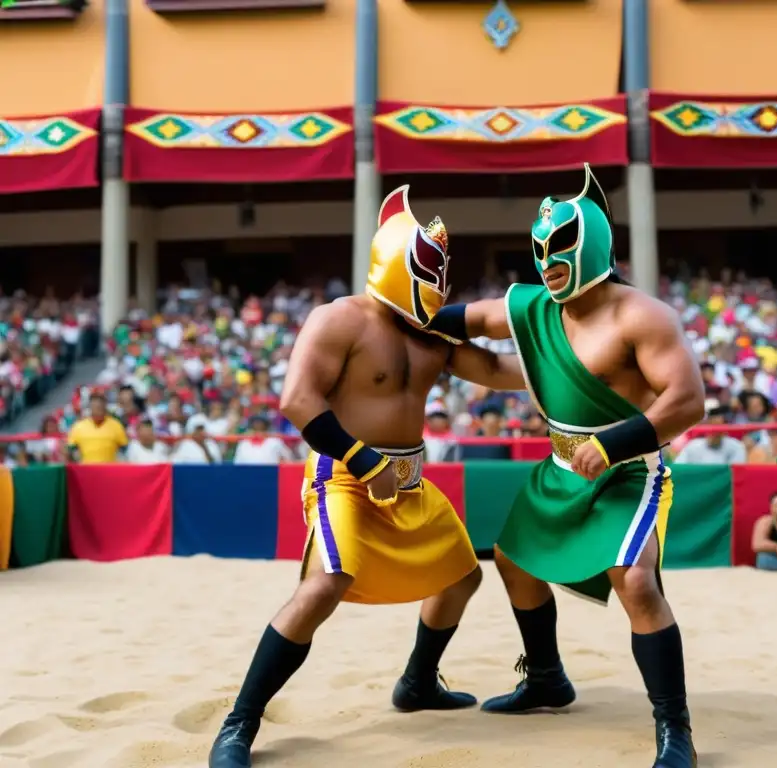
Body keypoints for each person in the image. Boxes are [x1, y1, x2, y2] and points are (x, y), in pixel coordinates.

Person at [208, 185, 526, 768]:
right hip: (346, 477)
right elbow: (297, 400)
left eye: (442, 273)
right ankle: (240, 724)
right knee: (326, 582)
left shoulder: (432, 332)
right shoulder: (339, 320)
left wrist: (565, 357)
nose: (439, 285)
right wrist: (363, 460)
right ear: (398, 265)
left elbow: (497, 370)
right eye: (429, 270)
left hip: (407, 481)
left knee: (460, 579)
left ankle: (417, 682)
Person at [426, 164, 706, 767]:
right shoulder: (531, 307)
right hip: (559, 465)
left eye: (560, 247)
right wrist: (409, 320)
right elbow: (466, 320)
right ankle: (547, 678)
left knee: (634, 580)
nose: (547, 260)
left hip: (628, 470)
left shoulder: (642, 316)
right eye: (539, 249)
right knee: (511, 559)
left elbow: (687, 402)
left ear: (594, 245)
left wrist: (612, 445)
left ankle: (673, 728)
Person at [674, 400, 745, 465]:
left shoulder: (736, 446)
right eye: (711, 420)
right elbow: (678, 468)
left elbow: (736, 474)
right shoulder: (693, 446)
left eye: (719, 423)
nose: (715, 427)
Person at [66, 392, 129, 464]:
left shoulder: (116, 425)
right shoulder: (78, 426)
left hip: (110, 470)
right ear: (90, 407)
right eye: (95, 406)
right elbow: (71, 448)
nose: (98, 409)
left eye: (100, 406)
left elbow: (125, 449)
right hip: (86, 470)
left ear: (105, 406)